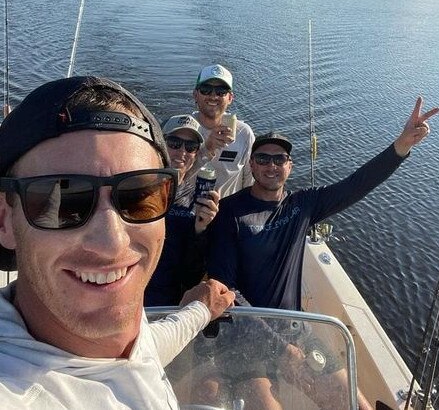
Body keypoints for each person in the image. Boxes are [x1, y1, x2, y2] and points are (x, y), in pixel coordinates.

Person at [0, 76, 234, 410]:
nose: (112, 242)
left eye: (140, 196)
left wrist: (202, 310)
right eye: (64, 201)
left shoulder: (126, 342)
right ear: (4, 220)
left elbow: (148, 348)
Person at [206, 97, 439, 410]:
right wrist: (282, 351)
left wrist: (401, 145)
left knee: (355, 404)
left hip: (295, 330)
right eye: (263, 159)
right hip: (245, 335)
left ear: (290, 166)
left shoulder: (304, 205)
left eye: (279, 159)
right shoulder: (231, 213)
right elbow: (226, 291)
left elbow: (357, 185)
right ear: (251, 165)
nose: (271, 166)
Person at [144, 114, 219, 306]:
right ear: (159, 145)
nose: (182, 152)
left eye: (191, 147)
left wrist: (201, 229)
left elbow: (192, 273)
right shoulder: (135, 188)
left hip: (169, 303)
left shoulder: (196, 199)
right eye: (174, 143)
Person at [191, 64, 255, 197]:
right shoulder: (182, 130)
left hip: (228, 213)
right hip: (186, 212)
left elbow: (250, 182)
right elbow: (172, 177)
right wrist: (207, 148)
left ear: (230, 98)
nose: (213, 96)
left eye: (221, 91)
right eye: (206, 89)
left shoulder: (244, 133)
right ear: (195, 95)